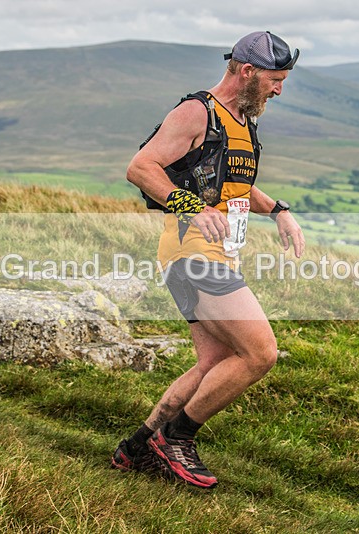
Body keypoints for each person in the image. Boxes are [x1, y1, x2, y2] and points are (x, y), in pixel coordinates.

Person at [112, 30, 305, 489]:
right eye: (276, 79)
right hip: (192, 253)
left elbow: (233, 186)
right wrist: (191, 207)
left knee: (212, 363)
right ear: (247, 71)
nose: (280, 89)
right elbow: (141, 167)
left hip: (216, 254)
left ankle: (137, 448)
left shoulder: (241, 120)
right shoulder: (197, 111)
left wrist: (278, 211)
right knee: (261, 352)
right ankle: (177, 439)